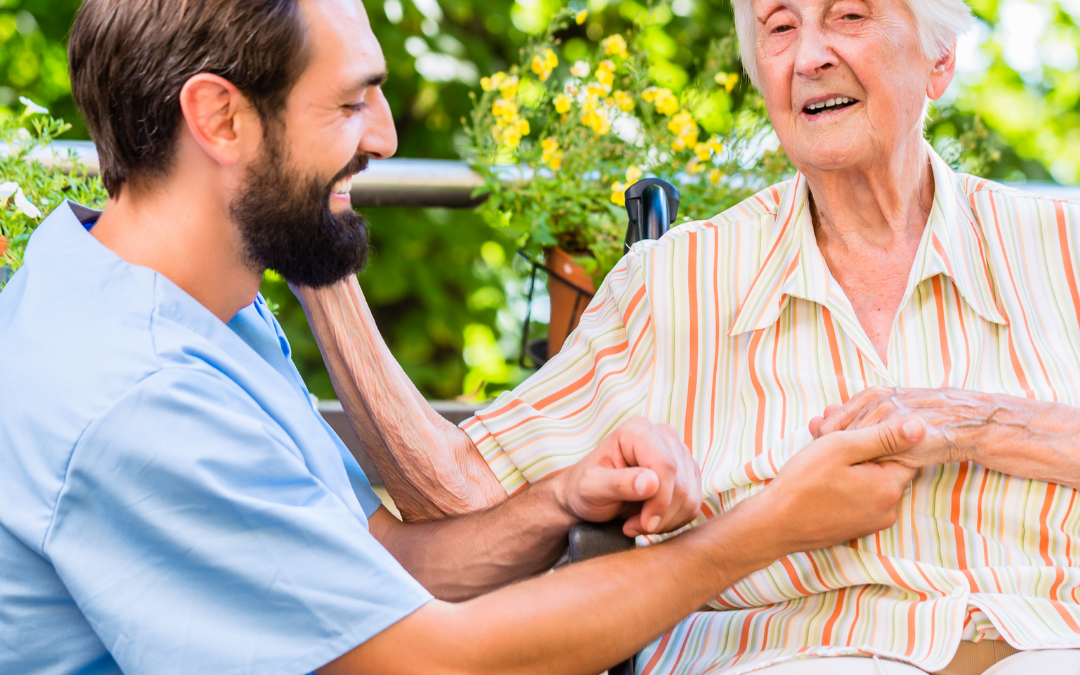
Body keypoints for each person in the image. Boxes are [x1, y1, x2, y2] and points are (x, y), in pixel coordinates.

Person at [0, 1, 930, 674]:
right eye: (352, 101)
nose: (389, 136)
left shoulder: (198, 304)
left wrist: (563, 499)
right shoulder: (136, 393)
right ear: (220, 118)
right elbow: (437, 661)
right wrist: (767, 528)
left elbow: (378, 569)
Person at [298, 0, 1080, 673]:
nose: (810, 55)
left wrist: (980, 423)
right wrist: (316, 254)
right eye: (778, 27)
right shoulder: (678, 285)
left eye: (849, 15)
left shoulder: (1060, 248)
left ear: (939, 58)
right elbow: (457, 494)